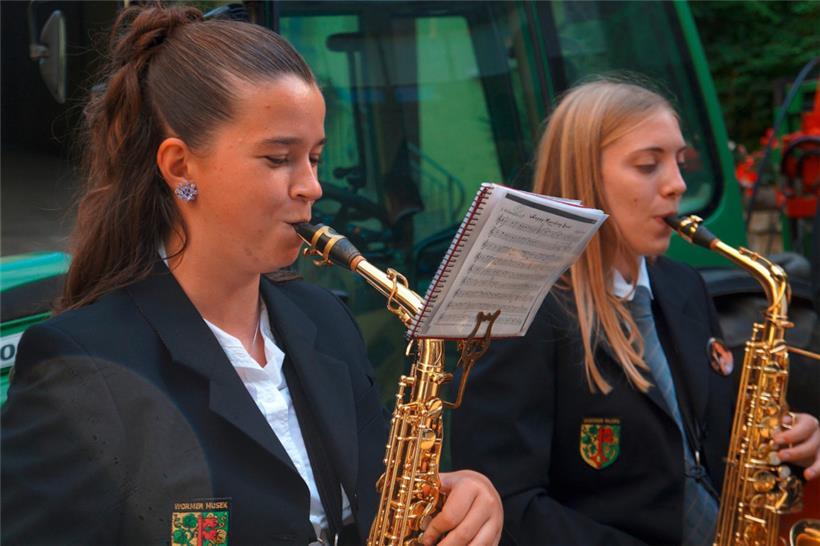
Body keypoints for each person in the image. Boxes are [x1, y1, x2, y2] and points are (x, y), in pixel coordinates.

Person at [0, 5, 502, 545]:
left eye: (314, 157)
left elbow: (379, 501)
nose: (312, 186)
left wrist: (461, 496)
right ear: (180, 167)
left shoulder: (326, 320)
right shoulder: (80, 366)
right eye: (279, 158)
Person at [451, 78, 820, 545]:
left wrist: (791, 444)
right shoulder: (519, 312)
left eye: (680, 162)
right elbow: (509, 504)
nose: (678, 185)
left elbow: (714, 447)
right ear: (585, 177)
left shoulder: (684, 286)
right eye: (648, 165)